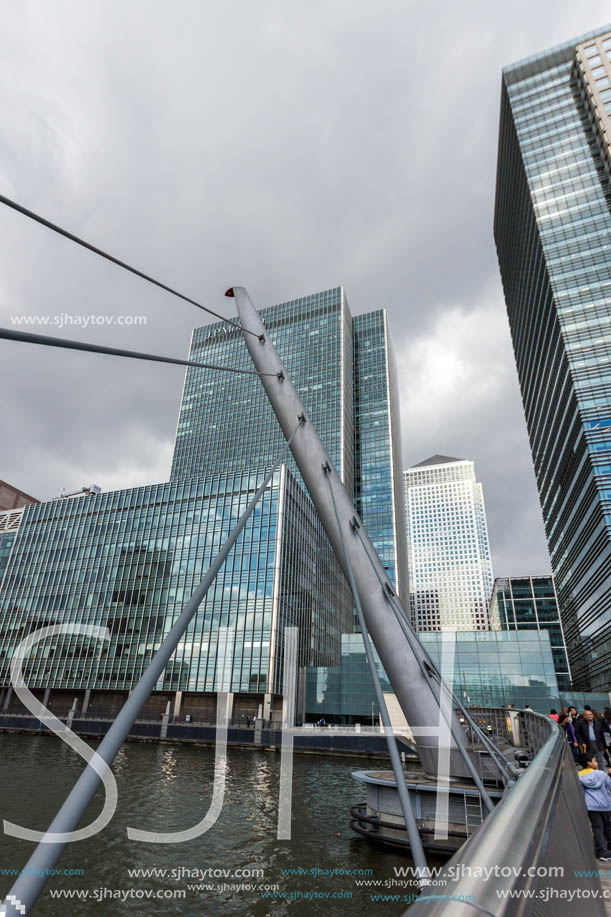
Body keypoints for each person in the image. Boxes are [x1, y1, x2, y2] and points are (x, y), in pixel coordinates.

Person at [577, 752, 611, 860]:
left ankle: (602, 852)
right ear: (589, 763)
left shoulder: (579, 776)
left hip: (591, 806)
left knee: (597, 828)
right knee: (608, 826)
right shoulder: (601, 774)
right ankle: (609, 847)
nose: (596, 762)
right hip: (605, 805)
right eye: (594, 760)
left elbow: (581, 793)